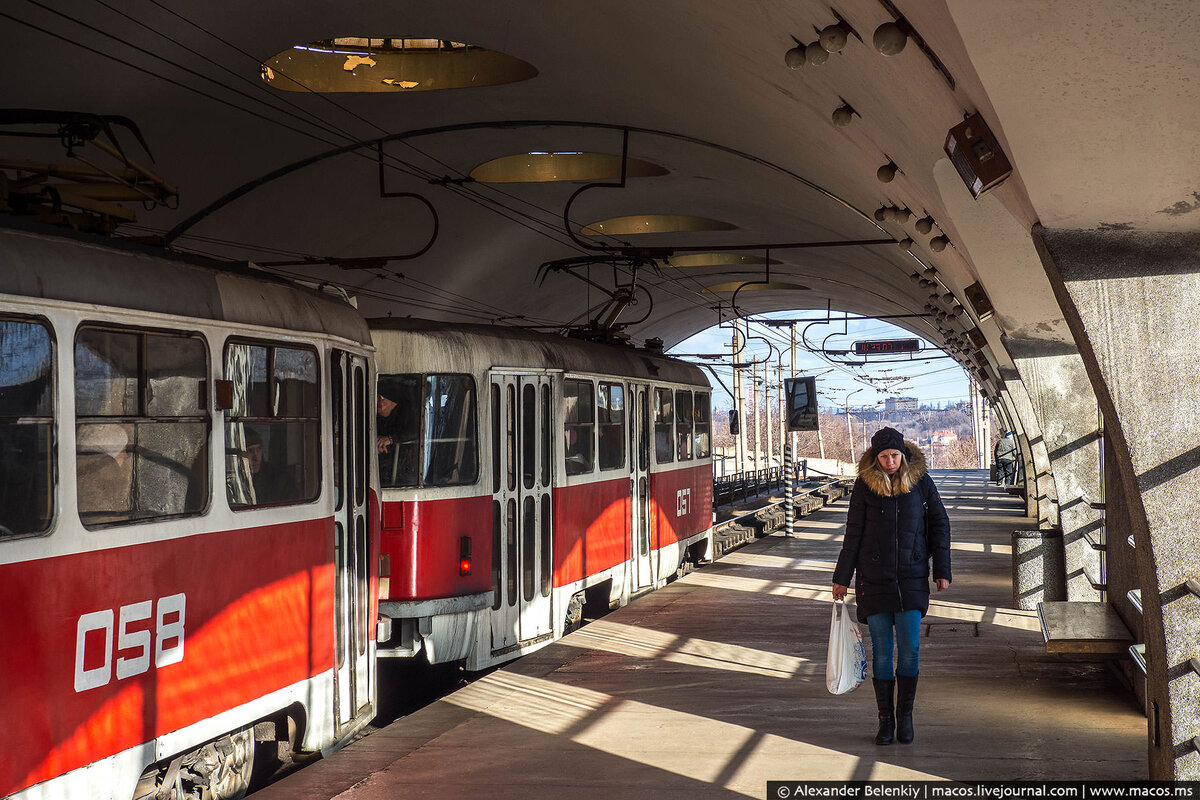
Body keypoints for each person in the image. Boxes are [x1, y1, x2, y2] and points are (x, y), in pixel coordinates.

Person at [831, 426, 951, 746]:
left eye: (894, 455)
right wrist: (842, 578)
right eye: (883, 456)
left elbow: (939, 525)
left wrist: (942, 570)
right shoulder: (864, 487)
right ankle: (885, 720)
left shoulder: (921, 483)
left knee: (909, 649)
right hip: (874, 579)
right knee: (883, 652)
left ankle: (906, 716)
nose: (889, 461)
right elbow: (853, 533)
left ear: (904, 454)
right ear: (875, 458)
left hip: (912, 579)